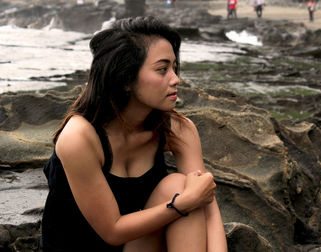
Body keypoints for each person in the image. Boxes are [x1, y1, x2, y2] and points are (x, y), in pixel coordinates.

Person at [41, 16, 227, 252]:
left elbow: (206, 204)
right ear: (126, 78)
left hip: (138, 246)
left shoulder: (178, 129)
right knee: (181, 192)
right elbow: (113, 231)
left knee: (179, 185)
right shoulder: (79, 137)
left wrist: (188, 201)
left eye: (174, 68)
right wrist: (183, 203)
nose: (176, 79)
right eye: (162, 70)